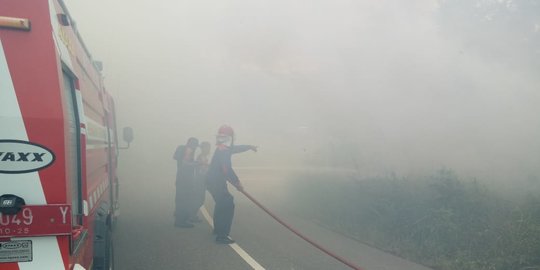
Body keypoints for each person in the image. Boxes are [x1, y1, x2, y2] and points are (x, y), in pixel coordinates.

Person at [206, 125, 257, 244]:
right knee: (227, 204)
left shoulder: (223, 147)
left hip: (213, 181)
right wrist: (237, 182)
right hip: (216, 182)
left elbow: (235, 149)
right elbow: (226, 169)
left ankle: (218, 230)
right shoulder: (223, 150)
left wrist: (248, 147)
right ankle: (222, 235)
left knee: (222, 203)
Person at [173, 137, 199, 228]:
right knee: (184, 200)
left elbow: (177, 159)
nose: (195, 147)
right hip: (185, 180)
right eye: (194, 145)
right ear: (190, 143)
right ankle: (181, 221)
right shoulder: (187, 150)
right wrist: (196, 164)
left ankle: (180, 217)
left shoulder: (183, 149)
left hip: (182, 178)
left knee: (181, 199)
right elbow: (184, 164)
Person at [189, 141, 211, 223]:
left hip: (202, 180)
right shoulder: (201, 157)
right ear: (203, 148)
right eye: (207, 147)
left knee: (200, 199)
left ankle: (192, 215)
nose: (209, 149)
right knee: (199, 199)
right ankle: (192, 215)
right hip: (200, 180)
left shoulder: (203, 157)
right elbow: (201, 170)